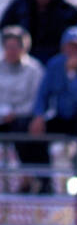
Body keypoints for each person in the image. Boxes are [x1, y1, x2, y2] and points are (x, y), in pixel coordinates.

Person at [29, 26, 77, 183]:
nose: (73, 51)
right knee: (34, 135)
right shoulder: (55, 65)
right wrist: (39, 116)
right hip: (64, 116)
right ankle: (44, 182)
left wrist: (72, 75)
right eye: (70, 46)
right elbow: (43, 93)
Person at [1, 0, 77, 67]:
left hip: (57, 56)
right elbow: (4, 26)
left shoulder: (66, 6)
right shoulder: (21, 4)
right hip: (26, 55)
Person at [0, 26, 45, 190]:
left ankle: (28, 177)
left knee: (25, 129)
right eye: (8, 47)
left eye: (15, 47)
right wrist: (4, 112)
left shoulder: (35, 70)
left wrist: (16, 113)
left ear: (24, 47)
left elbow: (37, 99)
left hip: (23, 118)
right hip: (2, 117)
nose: (11, 51)